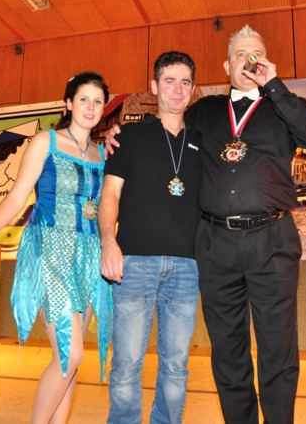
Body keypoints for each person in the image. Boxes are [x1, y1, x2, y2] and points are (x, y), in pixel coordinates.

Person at [106, 26, 306, 424]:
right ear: (227, 66)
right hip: (216, 244)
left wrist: (273, 85)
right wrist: (117, 131)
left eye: (255, 53)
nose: (249, 60)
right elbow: (166, 123)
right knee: (228, 350)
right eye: (240, 54)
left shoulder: (283, 107)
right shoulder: (205, 112)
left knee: (278, 345)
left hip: (272, 239)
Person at [0, 72, 113, 424]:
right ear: (68, 103)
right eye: (83, 99)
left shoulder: (102, 153)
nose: (90, 107)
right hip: (52, 249)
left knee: (69, 361)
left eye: (98, 101)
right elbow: (16, 196)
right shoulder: (46, 141)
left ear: (104, 108)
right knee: (71, 354)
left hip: (90, 256)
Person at [98, 51, 202, 424]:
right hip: (134, 263)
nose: (177, 89)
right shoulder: (129, 136)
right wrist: (108, 242)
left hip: (187, 268)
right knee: (126, 362)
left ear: (193, 89)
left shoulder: (203, 139)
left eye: (185, 82)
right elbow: (109, 195)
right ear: (154, 87)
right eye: (169, 81)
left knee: (176, 365)